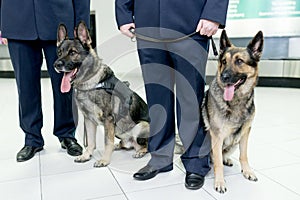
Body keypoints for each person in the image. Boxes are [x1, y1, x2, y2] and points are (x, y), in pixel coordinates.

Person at [115, 0, 229, 190]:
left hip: (191, 24)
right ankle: (160, 157)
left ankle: (195, 161)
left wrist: (213, 14)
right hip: (148, 23)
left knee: (190, 98)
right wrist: (124, 14)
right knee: (156, 97)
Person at [0, 0, 90, 162]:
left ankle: (67, 134)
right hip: (17, 21)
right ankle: (32, 139)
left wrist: (80, 23)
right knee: (25, 86)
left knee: (64, 85)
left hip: (59, 18)